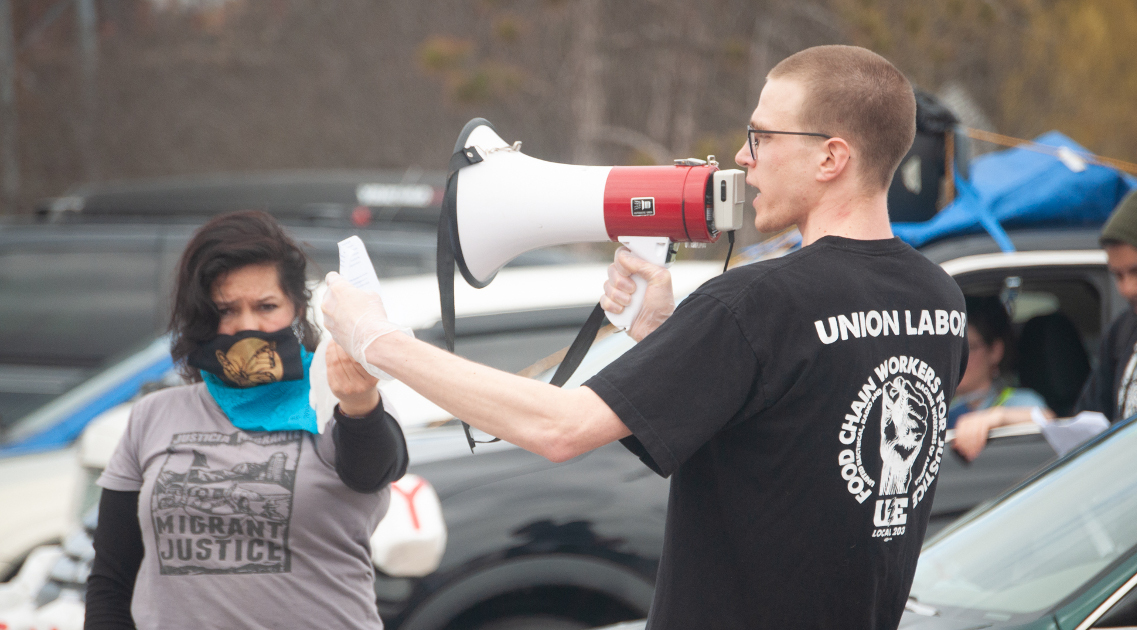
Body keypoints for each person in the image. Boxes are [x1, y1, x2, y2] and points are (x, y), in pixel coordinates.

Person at [323, 46, 967, 629]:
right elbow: (787, 446)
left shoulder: (756, 303)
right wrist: (661, 335)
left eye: (762, 137)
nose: (743, 158)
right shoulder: (940, 298)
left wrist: (378, 339)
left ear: (831, 156)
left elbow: (560, 429)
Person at [84, 211, 408, 630]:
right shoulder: (153, 416)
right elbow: (111, 582)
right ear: (200, 317)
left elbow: (375, 469)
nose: (247, 327)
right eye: (226, 310)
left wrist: (360, 402)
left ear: (297, 307)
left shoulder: (337, 397)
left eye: (266, 306)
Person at [953, 183, 1137, 462]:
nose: (1129, 289)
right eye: (1118, 276)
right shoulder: (1125, 331)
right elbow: (1087, 427)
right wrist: (1014, 418)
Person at [947, 295, 1047, 429]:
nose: (957, 359)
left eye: (968, 348)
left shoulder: (1018, 401)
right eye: (950, 349)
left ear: (995, 351)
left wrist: (998, 417)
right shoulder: (942, 407)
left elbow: (1047, 420)